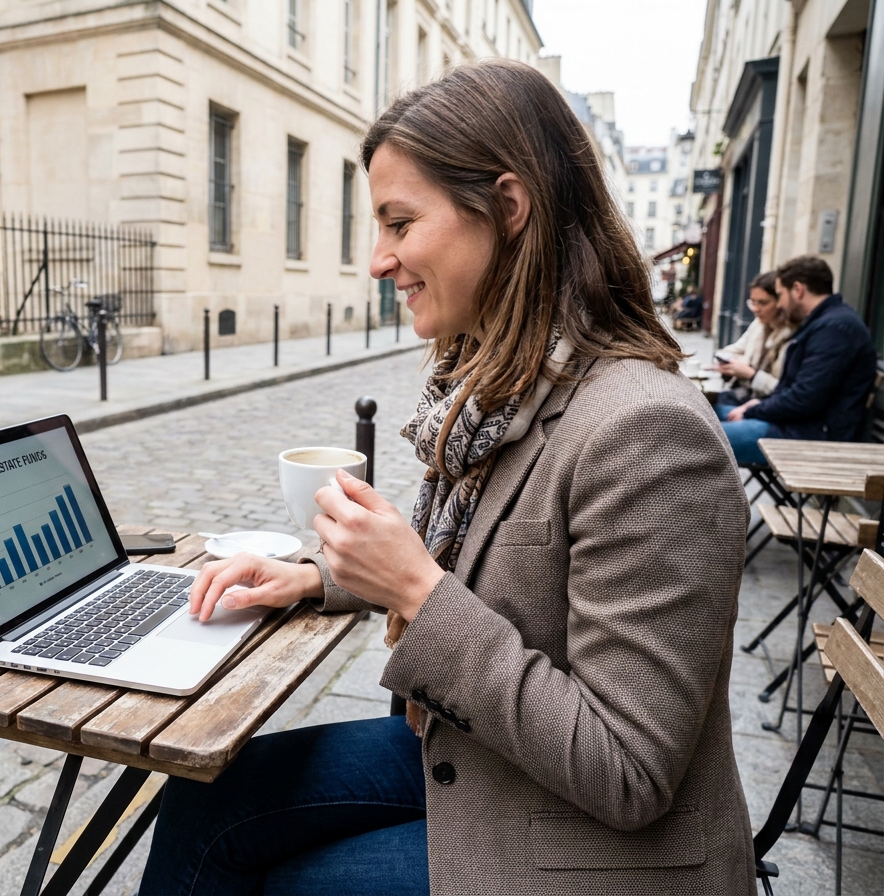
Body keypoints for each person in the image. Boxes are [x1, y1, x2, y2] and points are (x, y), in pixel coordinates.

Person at [140, 60, 754, 896]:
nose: (378, 261)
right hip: (493, 756)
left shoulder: (645, 431)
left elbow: (629, 771)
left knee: (264, 879)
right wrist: (318, 577)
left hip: (598, 846)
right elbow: (478, 567)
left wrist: (418, 591)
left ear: (507, 207)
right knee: (205, 797)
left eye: (400, 222)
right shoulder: (502, 386)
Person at [721, 255, 877, 465]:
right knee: (706, 415)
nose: (781, 304)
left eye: (780, 295)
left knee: (700, 439)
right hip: (798, 426)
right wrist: (759, 404)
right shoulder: (826, 322)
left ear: (798, 289)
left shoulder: (834, 328)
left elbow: (804, 399)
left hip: (810, 435)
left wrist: (753, 409)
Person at [712, 271, 793, 416]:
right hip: (743, 394)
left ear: (780, 303)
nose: (755, 309)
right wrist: (729, 363)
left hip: (766, 403)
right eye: (752, 302)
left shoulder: (790, 335)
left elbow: (784, 390)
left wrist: (750, 374)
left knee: (714, 416)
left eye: (762, 303)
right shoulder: (758, 325)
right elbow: (732, 350)